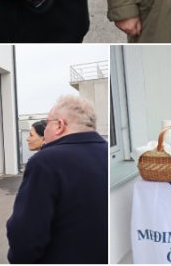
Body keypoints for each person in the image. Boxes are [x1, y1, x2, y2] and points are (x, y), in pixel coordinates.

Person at [7, 95, 107, 264]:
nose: (44, 131)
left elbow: (26, 235)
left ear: (59, 125)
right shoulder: (106, 152)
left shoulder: (45, 162)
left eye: (47, 123)